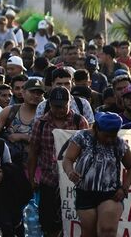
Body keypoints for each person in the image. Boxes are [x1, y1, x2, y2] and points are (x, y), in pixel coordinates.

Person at [62, 112, 131, 237]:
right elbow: (68, 159)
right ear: (97, 128)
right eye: (106, 135)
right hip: (85, 193)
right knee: (89, 232)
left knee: (107, 231)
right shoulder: (81, 137)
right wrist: (70, 171)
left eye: (113, 135)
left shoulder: (119, 143)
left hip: (111, 194)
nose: (110, 139)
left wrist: (124, 188)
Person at [28, 87, 89, 237]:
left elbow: (87, 153)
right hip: (49, 181)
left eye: (62, 106)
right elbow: (33, 151)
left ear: (69, 103)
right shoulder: (40, 123)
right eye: (55, 106)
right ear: (49, 104)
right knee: (49, 225)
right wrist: (31, 177)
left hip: (73, 183)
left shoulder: (79, 122)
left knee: (74, 223)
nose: (59, 110)